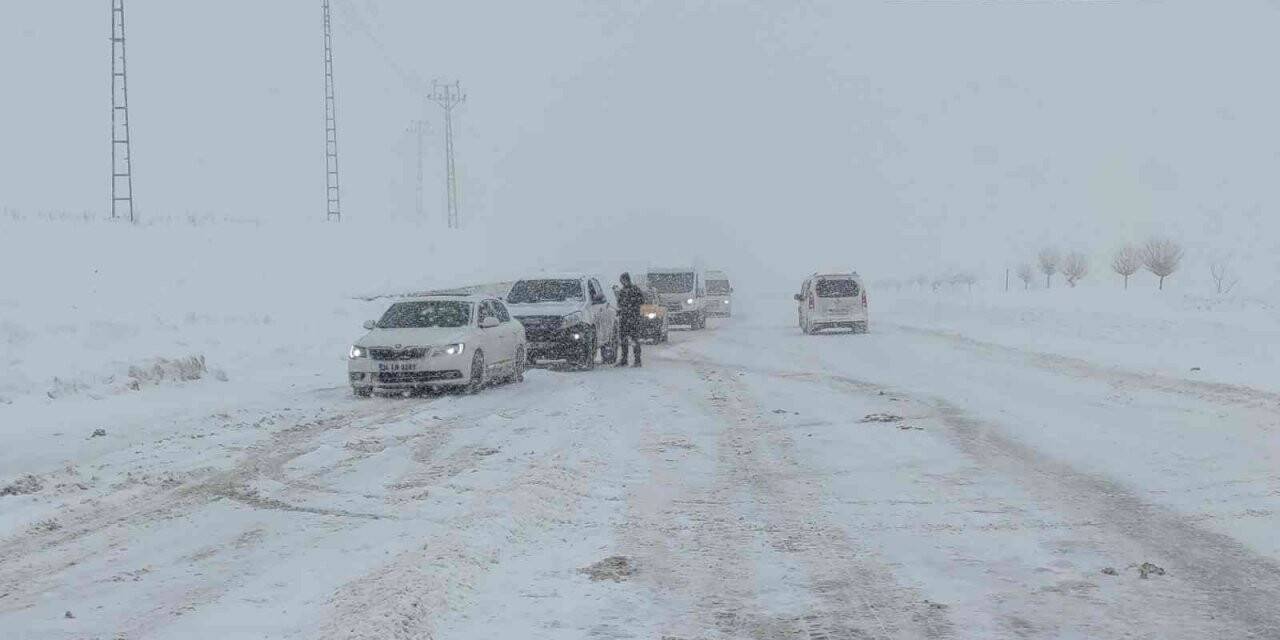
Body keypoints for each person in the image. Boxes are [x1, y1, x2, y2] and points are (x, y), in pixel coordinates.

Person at [616, 272, 644, 367]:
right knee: (623, 340)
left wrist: (631, 306)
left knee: (635, 340)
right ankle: (624, 360)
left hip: (633, 319)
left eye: (622, 280)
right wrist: (620, 310)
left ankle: (637, 360)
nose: (622, 282)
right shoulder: (622, 291)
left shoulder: (635, 290)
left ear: (626, 279)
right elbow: (619, 303)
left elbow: (641, 301)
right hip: (624, 319)